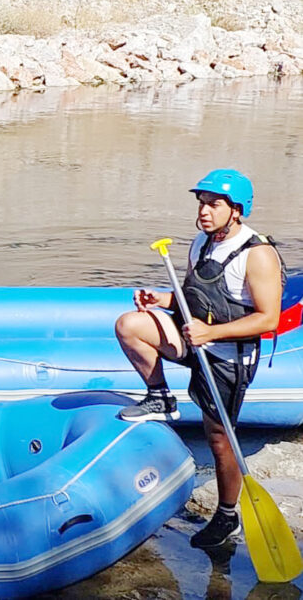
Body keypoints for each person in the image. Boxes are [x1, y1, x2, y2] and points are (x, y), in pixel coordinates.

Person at [114, 168, 284, 549]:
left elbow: (267, 318)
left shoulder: (257, 255)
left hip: (229, 354)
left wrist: (212, 334)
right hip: (197, 340)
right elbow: (196, 301)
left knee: (219, 438)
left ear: (236, 210)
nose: (204, 211)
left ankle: (227, 515)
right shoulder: (201, 242)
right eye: (202, 203)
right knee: (131, 325)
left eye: (214, 204)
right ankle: (159, 396)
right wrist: (162, 302)